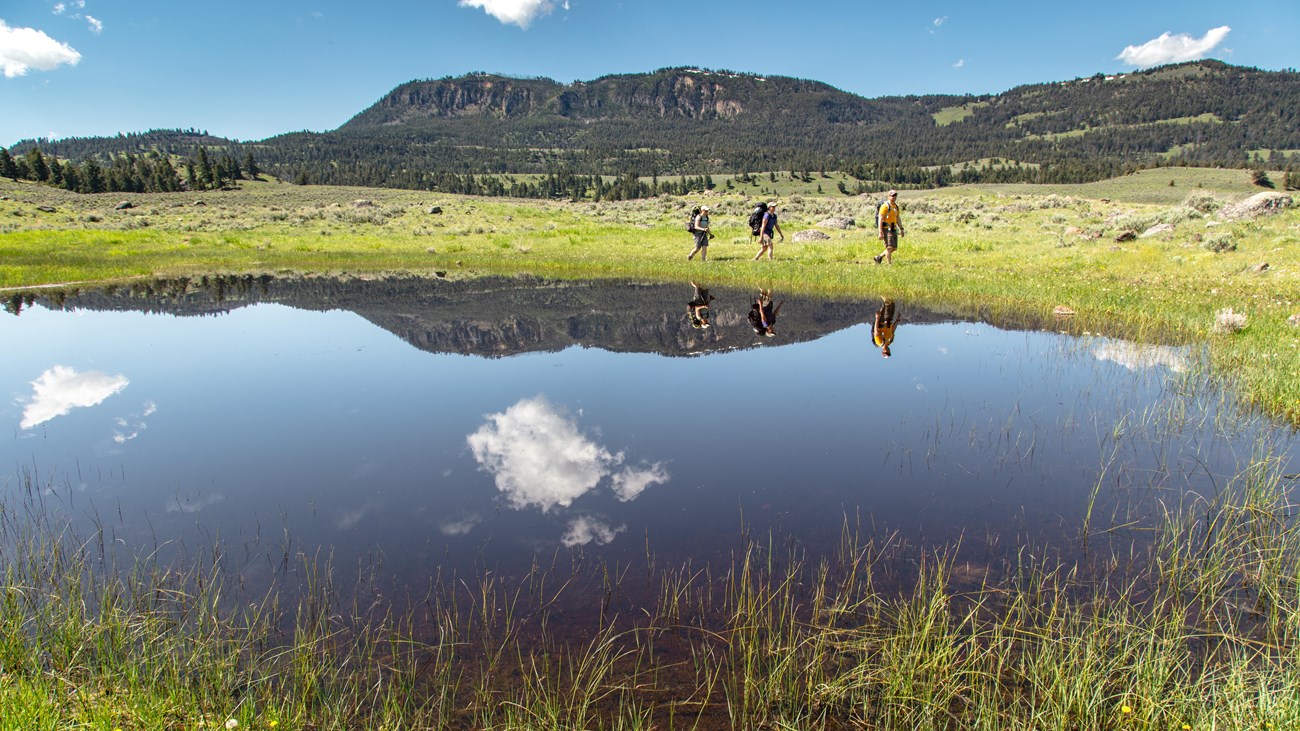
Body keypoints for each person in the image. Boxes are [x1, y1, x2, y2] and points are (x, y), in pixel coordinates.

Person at [873, 190, 905, 265]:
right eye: (892, 195)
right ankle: (889, 264)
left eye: (895, 195)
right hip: (886, 226)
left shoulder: (896, 207)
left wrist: (901, 228)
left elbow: (897, 218)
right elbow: (880, 219)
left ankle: (879, 257)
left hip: (893, 226)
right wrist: (880, 232)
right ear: (889, 196)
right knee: (889, 247)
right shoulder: (885, 206)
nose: (894, 197)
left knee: (894, 247)